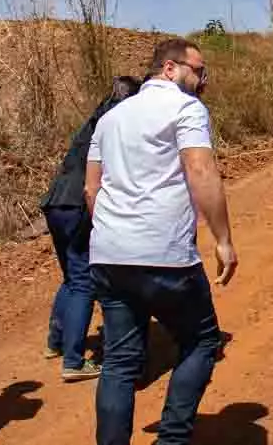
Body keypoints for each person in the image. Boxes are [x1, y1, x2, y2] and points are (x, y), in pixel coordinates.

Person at [85, 38, 239, 445]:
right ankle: (172, 438)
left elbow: (90, 190)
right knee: (202, 340)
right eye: (198, 70)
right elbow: (200, 170)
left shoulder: (110, 119)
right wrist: (222, 238)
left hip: (109, 254)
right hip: (165, 254)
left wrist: (112, 233)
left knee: (119, 362)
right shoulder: (186, 108)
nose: (202, 80)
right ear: (169, 69)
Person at [39, 75, 142, 381]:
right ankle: (73, 360)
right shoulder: (117, 124)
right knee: (84, 280)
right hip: (78, 205)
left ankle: (56, 342)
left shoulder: (97, 117)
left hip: (56, 202)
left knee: (72, 277)